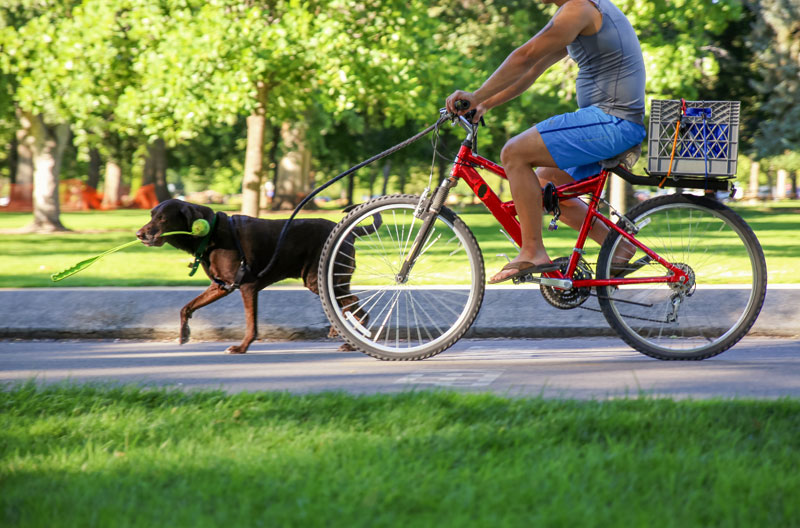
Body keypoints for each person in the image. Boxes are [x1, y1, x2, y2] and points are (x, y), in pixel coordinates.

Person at [446, 0, 647, 284]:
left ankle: (532, 251)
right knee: (544, 187)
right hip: (610, 122)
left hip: (612, 122)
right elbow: (532, 69)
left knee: (514, 153)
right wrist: (485, 104)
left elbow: (525, 56)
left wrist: (476, 93)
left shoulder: (579, 8)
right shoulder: (579, 12)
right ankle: (619, 249)